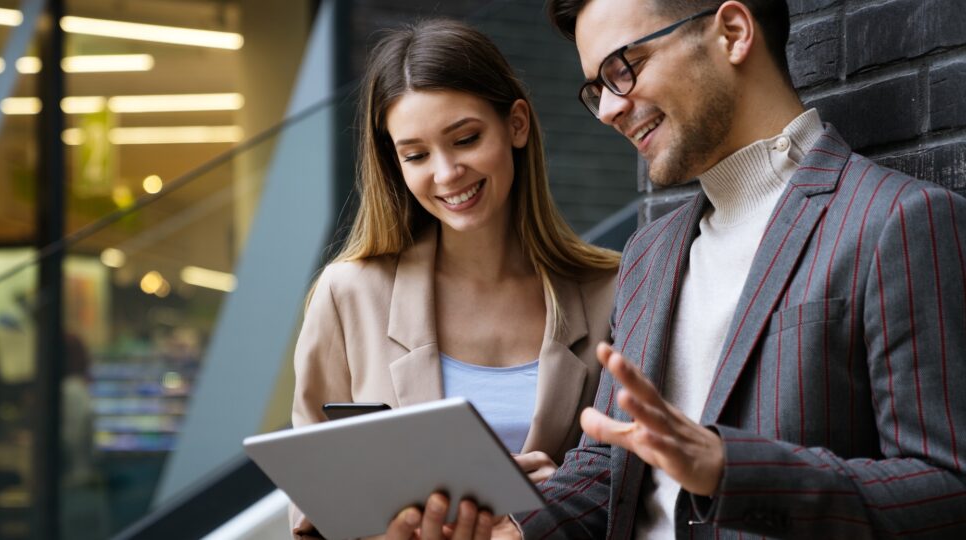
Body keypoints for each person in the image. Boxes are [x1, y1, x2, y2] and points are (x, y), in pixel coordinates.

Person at [385, 0, 966, 538]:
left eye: (624, 67)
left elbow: (948, 490)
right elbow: (611, 465)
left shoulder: (897, 220)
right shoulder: (650, 252)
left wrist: (728, 468)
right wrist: (515, 528)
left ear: (732, 34)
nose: (609, 109)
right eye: (596, 88)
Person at [290, 18, 619, 538]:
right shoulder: (349, 294)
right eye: (416, 155)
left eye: (465, 139)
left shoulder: (613, 291)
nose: (445, 174)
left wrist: (554, 505)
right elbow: (311, 507)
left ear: (516, 124)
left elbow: (635, 488)